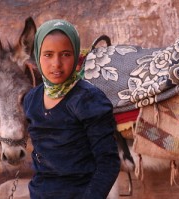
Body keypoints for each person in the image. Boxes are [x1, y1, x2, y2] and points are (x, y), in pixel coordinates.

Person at [23, 19, 120, 199]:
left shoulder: (88, 99)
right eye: (48, 54)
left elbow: (108, 162)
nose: (56, 63)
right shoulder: (31, 99)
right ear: (37, 56)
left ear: (76, 55)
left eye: (65, 54)